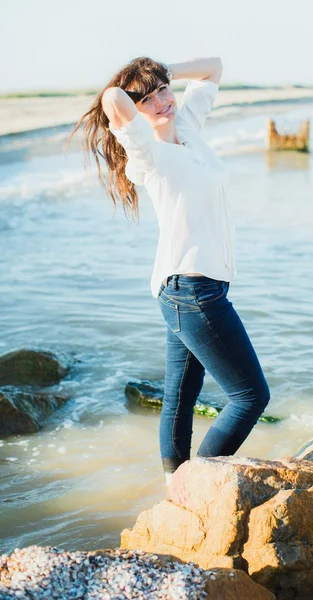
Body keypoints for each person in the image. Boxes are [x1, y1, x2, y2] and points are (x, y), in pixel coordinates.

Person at [69, 56, 270, 484]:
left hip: (190, 288)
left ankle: (172, 488)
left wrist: (164, 70)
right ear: (136, 110)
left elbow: (215, 66)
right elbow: (111, 97)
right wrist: (137, 81)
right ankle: (196, 483)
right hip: (192, 291)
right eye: (148, 98)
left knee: (179, 399)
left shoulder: (189, 131)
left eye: (164, 91)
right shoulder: (147, 153)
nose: (161, 101)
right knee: (250, 397)